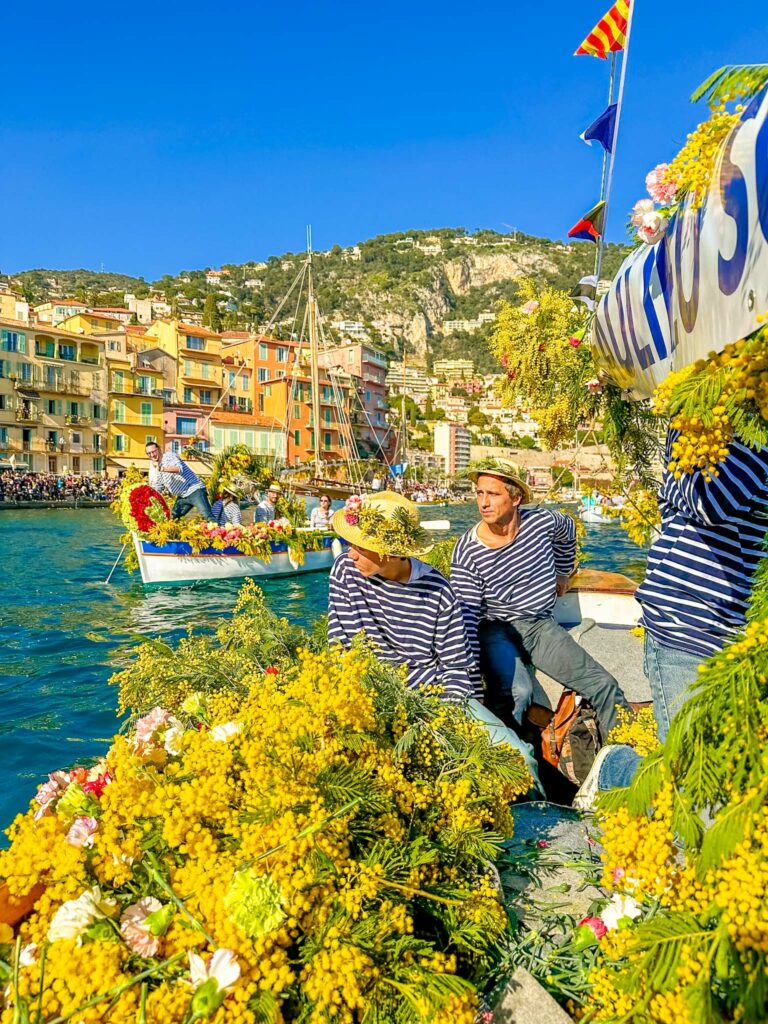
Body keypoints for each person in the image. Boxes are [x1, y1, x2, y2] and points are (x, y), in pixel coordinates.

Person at [575, 431, 768, 806]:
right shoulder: (704, 417)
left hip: (747, 630)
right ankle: (618, 770)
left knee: (735, 776)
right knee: (695, 790)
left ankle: (621, 768)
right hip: (686, 621)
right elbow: (712, 500)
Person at [327, 490, 542, 787]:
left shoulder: (437, 591)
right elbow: (341, 646)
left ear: (388, 550)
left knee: (519, 758)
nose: (350, 553)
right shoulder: (345, 572)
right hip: (369, 697)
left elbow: (457, 668)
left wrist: (445, 725)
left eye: (360, 546)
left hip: (437, 699)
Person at [450, 459, 628, 741]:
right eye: (479, 493)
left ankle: (624, 765)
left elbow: (567, 530)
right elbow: (467, 621)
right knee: (518, 693)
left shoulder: (542, 522)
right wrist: (471, 683)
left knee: (604, 685)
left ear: (516, 498)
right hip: (495, 629)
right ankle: (513, 770)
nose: (483, 502)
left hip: (539, 626)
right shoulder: (468, 551)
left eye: (493, 494)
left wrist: (563, 572)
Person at [145, 441, 212, 520]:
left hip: (195, 490)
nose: (152, 455)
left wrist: (161, 469)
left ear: (159, 449)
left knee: (207, 516)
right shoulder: (157, 469)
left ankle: (221, 531)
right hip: (183, 496)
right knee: (172, 518)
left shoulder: (168, 456)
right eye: (149, 453)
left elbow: (179, 469)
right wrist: (147, 493)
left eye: (153, 451)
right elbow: (158, 487)